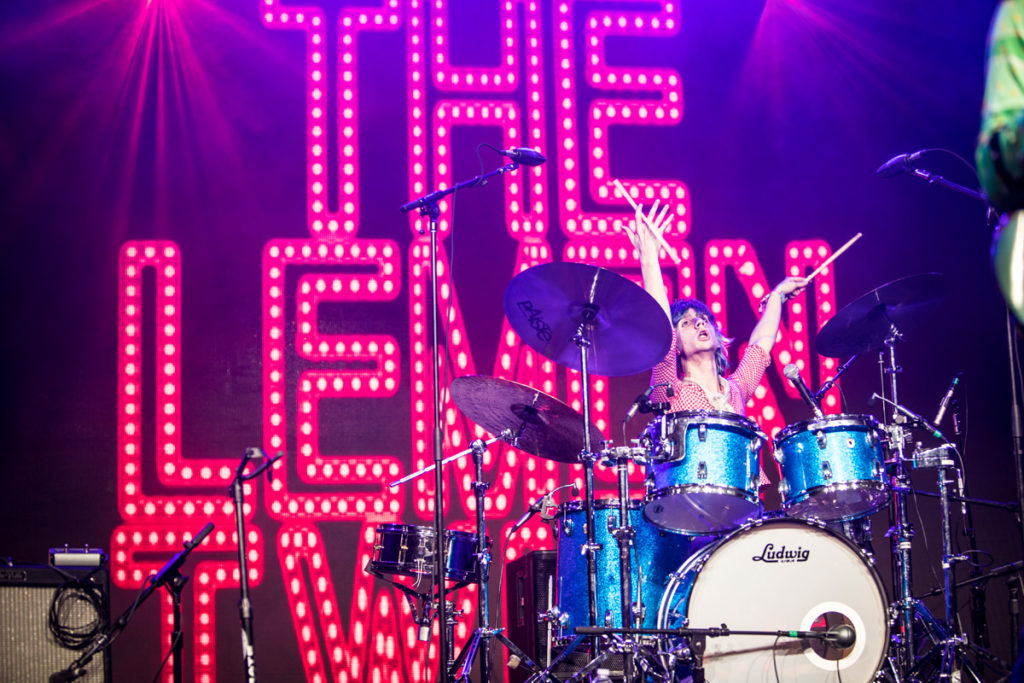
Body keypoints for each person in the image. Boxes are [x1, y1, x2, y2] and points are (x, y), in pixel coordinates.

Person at [624, 203, 808, 419]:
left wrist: (777, 295)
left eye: (703, 319)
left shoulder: (736, 389)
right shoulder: (670, 392)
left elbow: (761, 344)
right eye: (685, 322)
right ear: (677, 346)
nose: (699, 323)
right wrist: (649, 259)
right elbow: (662, 329)